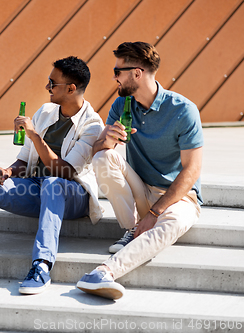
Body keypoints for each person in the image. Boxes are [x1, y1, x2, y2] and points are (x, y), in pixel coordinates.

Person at [0, 56, 104, 294]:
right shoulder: (46, 111)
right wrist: (7, 172)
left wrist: (35, 136)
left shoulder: (92, 125)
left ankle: (42, 265)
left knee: (54, 184)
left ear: (71, 88)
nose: (47, 87)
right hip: (37, 187)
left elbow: (64, 171)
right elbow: (24, 162)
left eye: (52, 83)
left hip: (72, 196)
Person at [77, 42, 203, 300]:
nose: (114, 77)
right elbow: (96, 153)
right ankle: (133, 229)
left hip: (179, 197)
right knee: (104, 157)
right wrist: (106, 141)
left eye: (117, 71)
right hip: (141, 189)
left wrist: (156, 211)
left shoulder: (182, 110)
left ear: (137, 73)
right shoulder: (122, 105)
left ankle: (104, 272)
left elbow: (191, 170)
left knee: (174, 222)